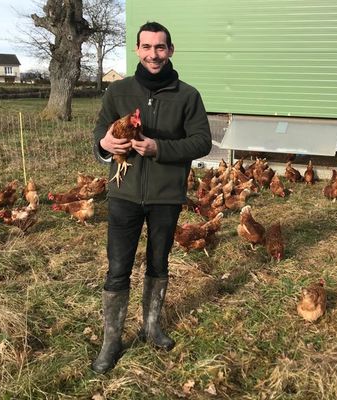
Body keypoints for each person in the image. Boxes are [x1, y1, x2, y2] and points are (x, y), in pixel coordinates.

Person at [91, 21, 212, 374]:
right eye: (146, 47)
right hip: (124, 194)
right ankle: (112, 340)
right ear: (137, 50)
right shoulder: (118, 92)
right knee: (118, 268)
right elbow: (100, 129)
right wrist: (104, 144)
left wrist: (160, 147)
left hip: (165, 195)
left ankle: (151, 325)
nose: (153, 54)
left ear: (170, 51)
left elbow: (201, 141)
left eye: (160, 47)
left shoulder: (187, 95)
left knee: (159, 264)